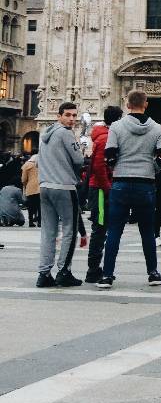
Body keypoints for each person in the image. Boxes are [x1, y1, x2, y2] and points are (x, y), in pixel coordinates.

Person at [97, 92, 161, 290]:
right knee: (147, 231)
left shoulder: (116, 127)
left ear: (127, 105)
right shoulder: (157, 128)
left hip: (121, 183)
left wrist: (118, 168)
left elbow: (110, 155)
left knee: (114, 231)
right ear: (146, 104)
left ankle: (107, 275)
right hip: (145, 184)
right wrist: (150, 169)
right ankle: (153, 273)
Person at [36, 101, 84, 288]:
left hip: (45, 187)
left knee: (48, 232)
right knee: (69, 231)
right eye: (68, 115)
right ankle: (64, 271)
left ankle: (44, 273)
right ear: (59, 116)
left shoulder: (44, 135)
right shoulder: (66, 134)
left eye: (74, 116)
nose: (72, 119)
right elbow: (78, 159)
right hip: (64, 187)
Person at [86, 104, 123, 283]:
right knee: (99, 229)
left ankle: (95, 268)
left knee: (101, 229)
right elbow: (100, 169)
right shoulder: (105, 138)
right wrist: (109, 189)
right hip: (101, 190)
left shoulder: (105, 135)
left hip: (102, 188)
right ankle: (93, 270)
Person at [21, 152, 41, 226]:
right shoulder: (41, 164)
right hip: (40, 187)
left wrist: (25, 185)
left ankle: (31, 222)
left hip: (30, 188)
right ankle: (40, 222)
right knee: (40, 206)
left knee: (31, 206)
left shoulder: (26, 165)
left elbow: (23, 179)